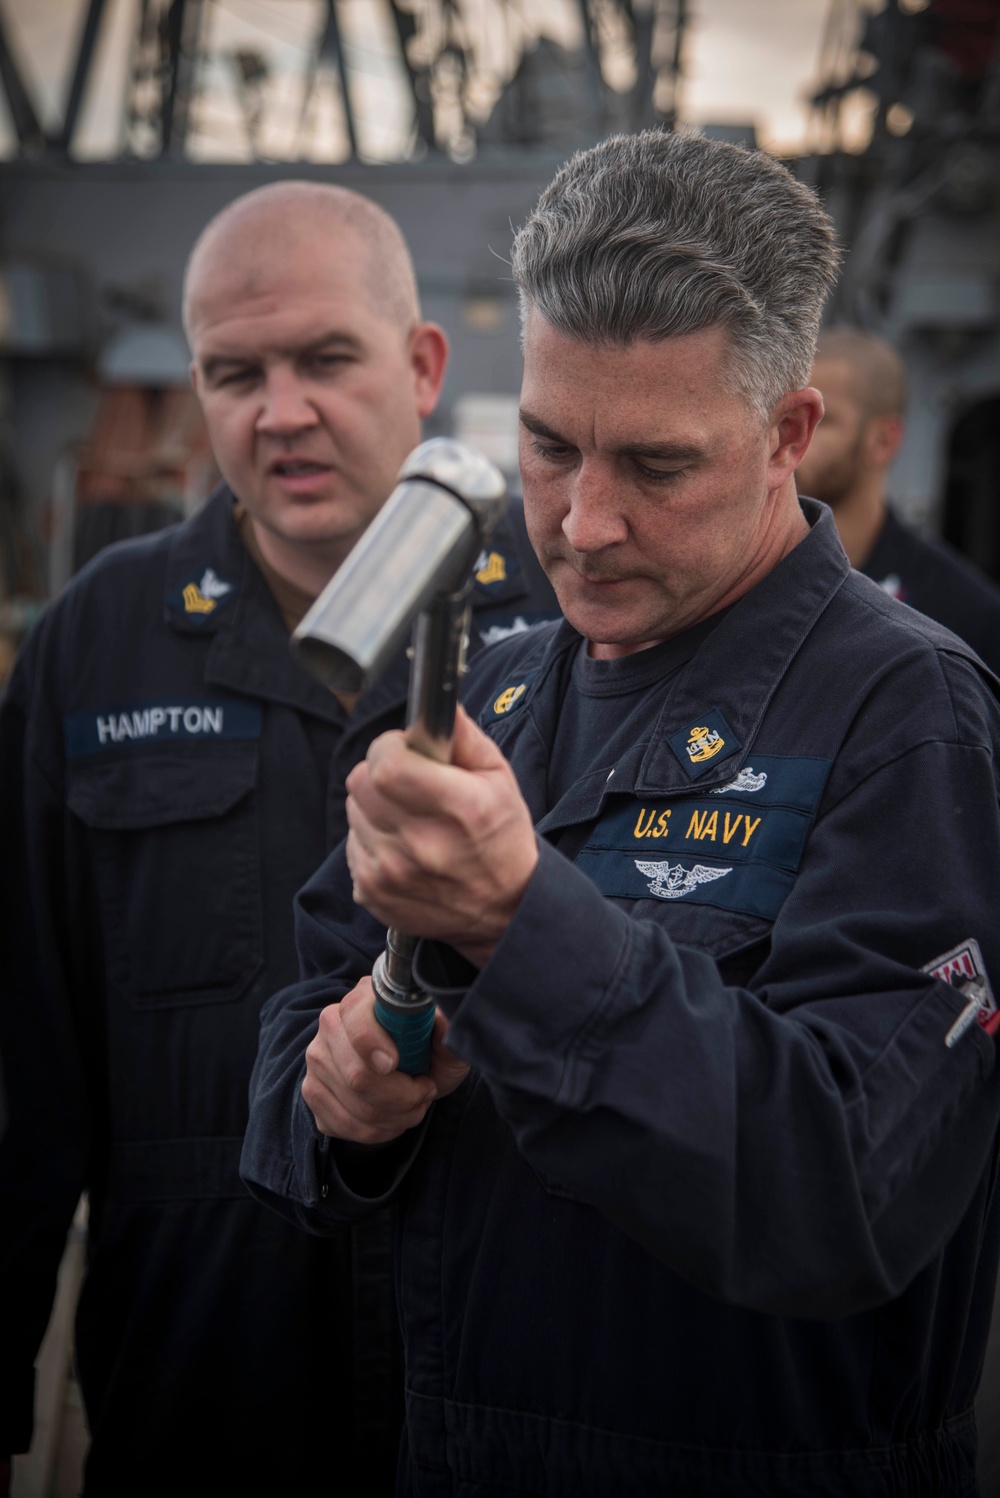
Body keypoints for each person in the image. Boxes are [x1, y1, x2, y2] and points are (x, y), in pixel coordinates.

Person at [242, 133, 1000, 1497]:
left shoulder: (911, 719)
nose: (583, 524)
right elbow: (297, 1023)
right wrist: (335, 1089)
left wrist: (518, 922)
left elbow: (846, 1190)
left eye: (656, 466)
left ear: (790, 437)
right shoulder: (494, 687)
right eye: (547, 446)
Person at [0, 181, 557, 1497]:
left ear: (422, 365)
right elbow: (23, 1058)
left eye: (324, 358)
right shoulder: (100, 640)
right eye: (233, 372)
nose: (280, 411)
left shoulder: (560, 619)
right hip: (202, 1364)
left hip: (503, 1360)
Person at [795, 325, 1000, 672]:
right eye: (785, 417)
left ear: (883, 441)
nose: (790, 438)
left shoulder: (966, 615)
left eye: (822, 422)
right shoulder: (739, 578)